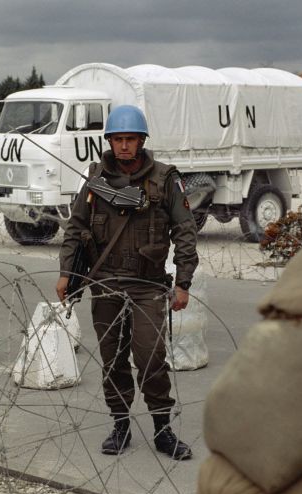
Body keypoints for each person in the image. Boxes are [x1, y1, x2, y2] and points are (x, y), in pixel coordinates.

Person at [56, 105, 198, 460]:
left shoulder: (165, 180)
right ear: (109, 141)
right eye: (117, 139)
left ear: (141, 141)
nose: (123, 146)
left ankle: (163, 429)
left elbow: (185, 231)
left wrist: (183, 282)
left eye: (129, 140)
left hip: (147, 285)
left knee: (151, 358)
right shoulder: (95, 179)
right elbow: (75, 228)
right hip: (105, 283)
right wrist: (65, 272)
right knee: (113, 359)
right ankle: (120, 425)